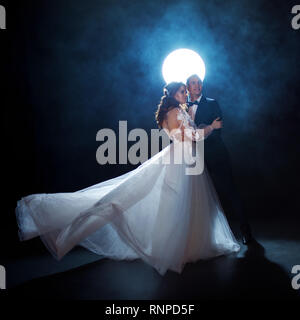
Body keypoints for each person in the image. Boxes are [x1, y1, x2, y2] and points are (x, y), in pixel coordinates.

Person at [15, 82, 240, 276]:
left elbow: (186, 133)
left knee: (181, 203)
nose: (185, 94)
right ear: (173, 94)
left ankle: (186, 245)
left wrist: (198, 125)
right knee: (156, 200)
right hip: (181, 159)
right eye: (182, 91)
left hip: (182, 157)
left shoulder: (172, 112)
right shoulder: (175, 112)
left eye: (185, 91)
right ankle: (177, 248)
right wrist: (211, 127)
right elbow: (190, 136)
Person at [186, 74, 253, 244]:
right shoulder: (182, 107)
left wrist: (198, 135)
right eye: (193, 83)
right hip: (193, 158)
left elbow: (217, 131)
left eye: (199, 82)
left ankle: (246, 232)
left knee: (230, 192)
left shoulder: (212, 103)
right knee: (196, 196)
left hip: (215, 154)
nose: (197, 85)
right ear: (187, 87)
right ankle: (202, 238)